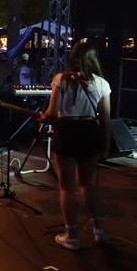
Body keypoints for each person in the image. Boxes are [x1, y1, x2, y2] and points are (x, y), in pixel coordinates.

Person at [38, 40, 111, 251]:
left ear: (73, 58)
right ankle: (100, 231)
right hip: (90, 133)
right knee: (88, 184)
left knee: (66, 187)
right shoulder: (102, 83)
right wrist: (106, 146)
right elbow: (106, 120)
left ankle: (72, 236)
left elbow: (52, 115)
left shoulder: (61, 79)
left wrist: (44, 117)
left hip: (67, 132)